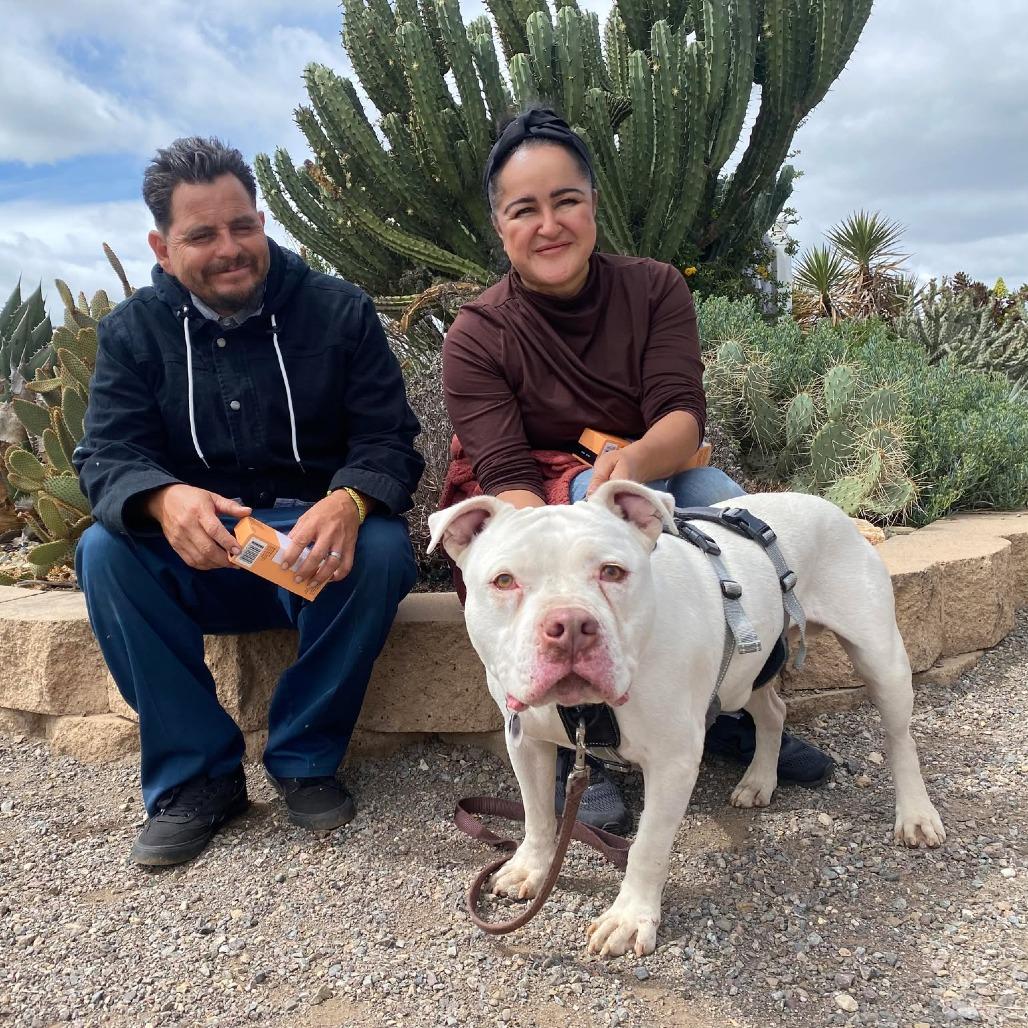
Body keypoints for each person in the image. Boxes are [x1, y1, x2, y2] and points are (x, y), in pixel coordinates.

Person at [441, 108, 833, 834]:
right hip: (533, 498)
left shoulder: (653, 288)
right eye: (525, 209)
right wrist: (583, 513)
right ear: (501, 225)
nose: (549, 224)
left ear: (593, 206)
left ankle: (717, 707)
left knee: (735, 515)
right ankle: (562, 736)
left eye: (566, 201)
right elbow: (505, 470)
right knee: (557, 576)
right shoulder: (477, 333)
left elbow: (684, 416)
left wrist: (628, 467)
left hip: (644, 472)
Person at [74, 137, 424, 867]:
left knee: (385, 546)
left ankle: (305, 757)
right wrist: (163, 499)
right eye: (202, 235)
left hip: (311, 550)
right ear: (163, 248)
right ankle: (198, 779)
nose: (230, 248)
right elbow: (106, 456)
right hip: (202, 553)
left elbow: (389, 439)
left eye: (243, 226)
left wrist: (352, 499)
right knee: (105, 551)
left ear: (263, 221)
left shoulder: (339, 312)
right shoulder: (132, 333)